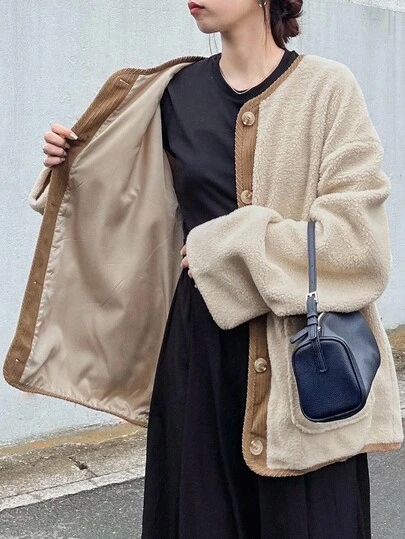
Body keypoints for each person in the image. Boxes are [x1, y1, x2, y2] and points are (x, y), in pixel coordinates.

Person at [9, 1, 403, 538]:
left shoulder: (328, 90)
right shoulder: (173, 94)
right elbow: (136, 217)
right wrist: (71, 170)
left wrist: (226, 248)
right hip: (198, 364)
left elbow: (359, 248)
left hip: (304, 373)